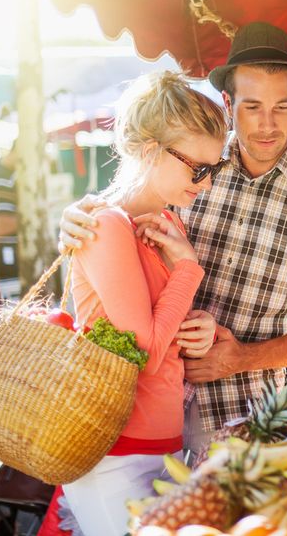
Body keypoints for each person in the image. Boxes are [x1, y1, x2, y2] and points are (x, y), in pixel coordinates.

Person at [58, 22, 287, 453]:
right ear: (228, 102)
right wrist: (77, 216)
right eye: (252, 106)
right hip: (139, 408)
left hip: (243, 414)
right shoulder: (193, 161)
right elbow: (121, 214)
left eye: (283, 107)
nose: (267, 124)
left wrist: (244, 357)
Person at [60, 71, 225, 535]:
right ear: (151, 150)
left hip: (161, 445)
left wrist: (202, 328)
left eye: (213, 170)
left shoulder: (167, 227)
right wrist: (188, 271)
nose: (206, 184)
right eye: (198, 169)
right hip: (116, 453)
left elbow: (165, 336)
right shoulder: (106, 226)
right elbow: (146, 353)